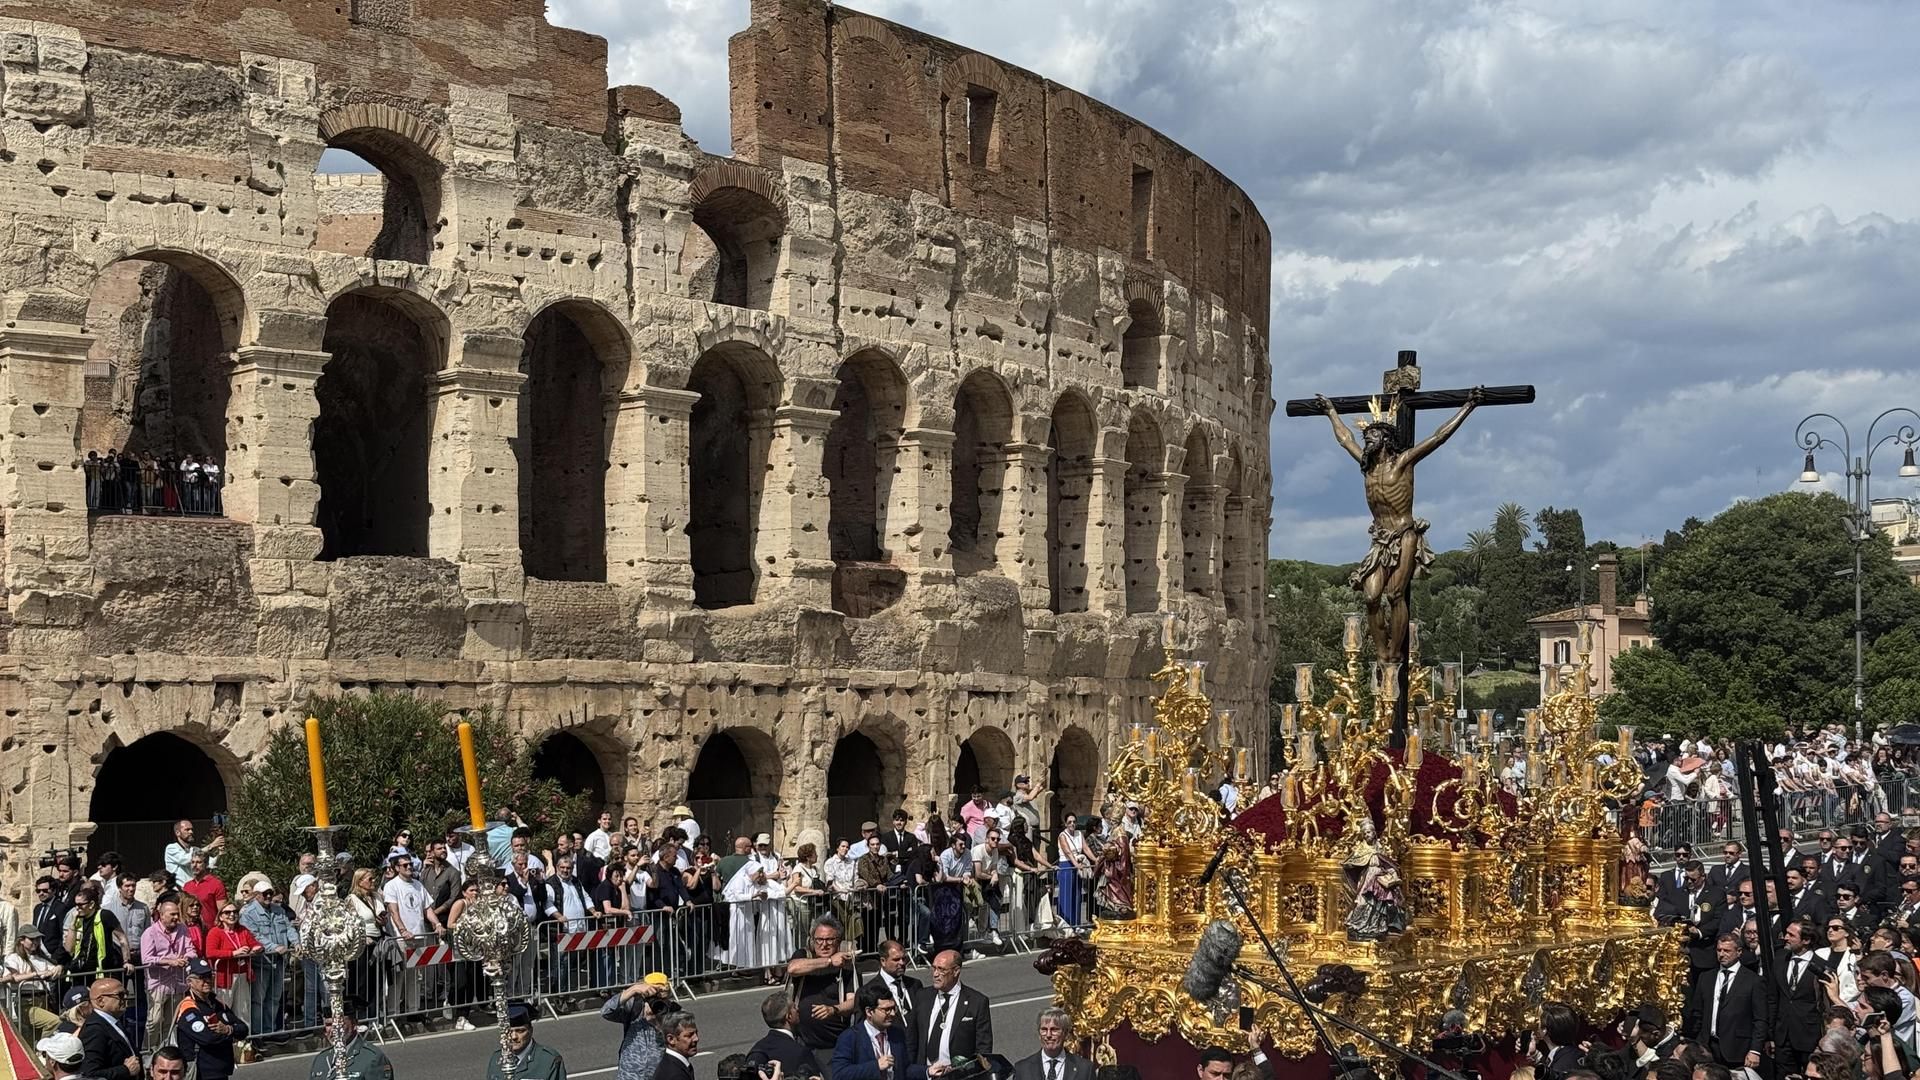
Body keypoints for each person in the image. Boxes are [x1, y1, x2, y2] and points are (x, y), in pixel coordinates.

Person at [1684, 934, 1765, 1072]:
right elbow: (1698, 1012)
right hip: (1707, 1046)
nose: (1721, 954)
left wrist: (1755, 1050)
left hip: (1737, 1048)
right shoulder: (1706, 978)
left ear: (1739, 952)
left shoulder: (1753, 980)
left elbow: (1760, 1019)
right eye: (1719, 950)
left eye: (1727, 951)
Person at [831, 984, 942, 1080]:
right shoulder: (850, 1037)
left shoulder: (896, 1034)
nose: (893, 1014)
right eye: (886, 1010)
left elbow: (904, 1069)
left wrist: (927, 1071)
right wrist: (876, 1066)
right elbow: (839, 1074)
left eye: (893, 1008)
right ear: (869, 1012)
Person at [787, 913, 857, 1055]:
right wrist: (829, 961)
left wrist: (833, 1009)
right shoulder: (803, 955)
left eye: (830, 940)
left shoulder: (847, 965)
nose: (824, 945)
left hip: (834, 1043)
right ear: (812, 940)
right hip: (802, 1040)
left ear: (838, 941)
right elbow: (793, 969)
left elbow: (854, 1001)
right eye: (819, 939)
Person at [910, 949, 992, 1068]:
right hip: (925, 1072)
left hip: (957, 1074)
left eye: (942, 969)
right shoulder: (922, 996)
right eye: (934, 968)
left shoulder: (977, 1002)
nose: (935, 974)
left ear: (956, 971)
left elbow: (983, 1047)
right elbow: (911, 1038)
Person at [176, 957, 248, 1080]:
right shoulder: (188, 1007)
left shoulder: (218, 1004)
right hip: (201, 1072)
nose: (207, 980)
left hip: (222, 1070)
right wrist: (230, 1034)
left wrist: (228, 1030)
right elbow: (207, 1038)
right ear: (190, 982)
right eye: (202, 977)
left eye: (209, 976)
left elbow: (243, 1029)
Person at [142, 899, 198, 1050]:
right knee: (154, 1021)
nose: (176, 918)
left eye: (177, 914)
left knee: (170, 1022)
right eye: (172, 914)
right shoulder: (150, 933)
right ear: (161, 915)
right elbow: (146, 959)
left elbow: (191, 949)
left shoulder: (182, 929)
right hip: (158, 985)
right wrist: (169, 961)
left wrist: (187, 957)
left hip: (178, 984)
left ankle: (163, 1051)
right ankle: (147, 1051)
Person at [721, 860, 790, 971]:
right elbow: (738, 896)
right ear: (752, 872)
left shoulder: (753, 883)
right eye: (759, 872)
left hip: (748, 914)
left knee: (747, 940)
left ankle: (743, 966)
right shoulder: (740, 880)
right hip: (738, 914)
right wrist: (753, 895)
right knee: (737, 939)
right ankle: (734, 966)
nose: (761, 875)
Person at [601, 974, 672, 1080]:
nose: (655, 1000)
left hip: (659, 1075)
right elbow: (606, 1012)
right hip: (630, 1074)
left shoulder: (674, 1011)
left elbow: (679, 1042)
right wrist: (633, 990)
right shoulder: (634, 1007)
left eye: (659, 995)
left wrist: (656, 1024)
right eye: (652, 995)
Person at [749, 991, 825, 1079]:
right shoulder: (801, 1053)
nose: (798, 1009)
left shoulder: (756, 1049)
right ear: (789, 1016)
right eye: (794, 1007)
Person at [308, 1006, 395, 1080]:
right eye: (329, 1025)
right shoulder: (321, 1059)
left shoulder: (372, 1059)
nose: (335, 1030)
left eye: (340, 1023)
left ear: (354, 1025)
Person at [78, 977, 141, 1080]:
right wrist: (125, 1070)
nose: (125, 998)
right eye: (120, 995)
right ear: (101, 1001)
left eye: (126, 993)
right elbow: (90, 1074)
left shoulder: (113, 1022)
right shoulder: (94, 1029)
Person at [487, 1000, 567, 1079]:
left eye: (520, 1031)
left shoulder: (548, 1060)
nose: (514, 1036)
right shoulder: (496, 1058)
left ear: (530, 1031)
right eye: (509, 1032)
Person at [863, 938, 922, 1043]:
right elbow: (864, 1030)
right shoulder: (867, 990)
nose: (902, 963)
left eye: (904, 959)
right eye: (896, 959)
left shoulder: (915, 985)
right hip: (890, 1048)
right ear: (883, 961)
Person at [1013, 1007, 1095, 1079]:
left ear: (1065, 1033)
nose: (1048, 1035)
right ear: (1039, 1033)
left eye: (1054, 1030)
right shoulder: (1022, 1069)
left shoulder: (1084, 1069)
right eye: (1044, 1030)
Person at [654, 1010, 699, 1080]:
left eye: (696, 1033)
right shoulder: (675, 1075)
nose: (696, 1039)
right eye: (689, 1035)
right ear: (671, 1039)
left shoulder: (672, 1063)